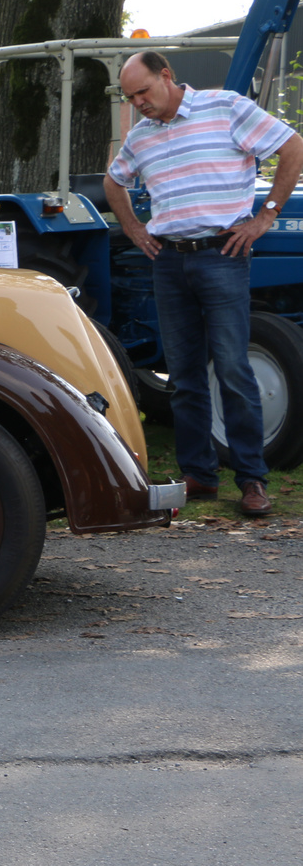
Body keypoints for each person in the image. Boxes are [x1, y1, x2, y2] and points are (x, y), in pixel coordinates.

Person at [104, 50, 303, 518]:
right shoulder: (140, 136)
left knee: (233, 369)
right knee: (185, 375)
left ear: (166, 76)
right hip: (169, 262)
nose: (138, 104)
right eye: (130, 97)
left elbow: (292, 145)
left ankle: (252, 479)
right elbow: (114, 183)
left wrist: (264, 217)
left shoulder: (226, 107)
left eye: (144, 92)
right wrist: (134, 229)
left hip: (223, 255)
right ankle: (199, 475)